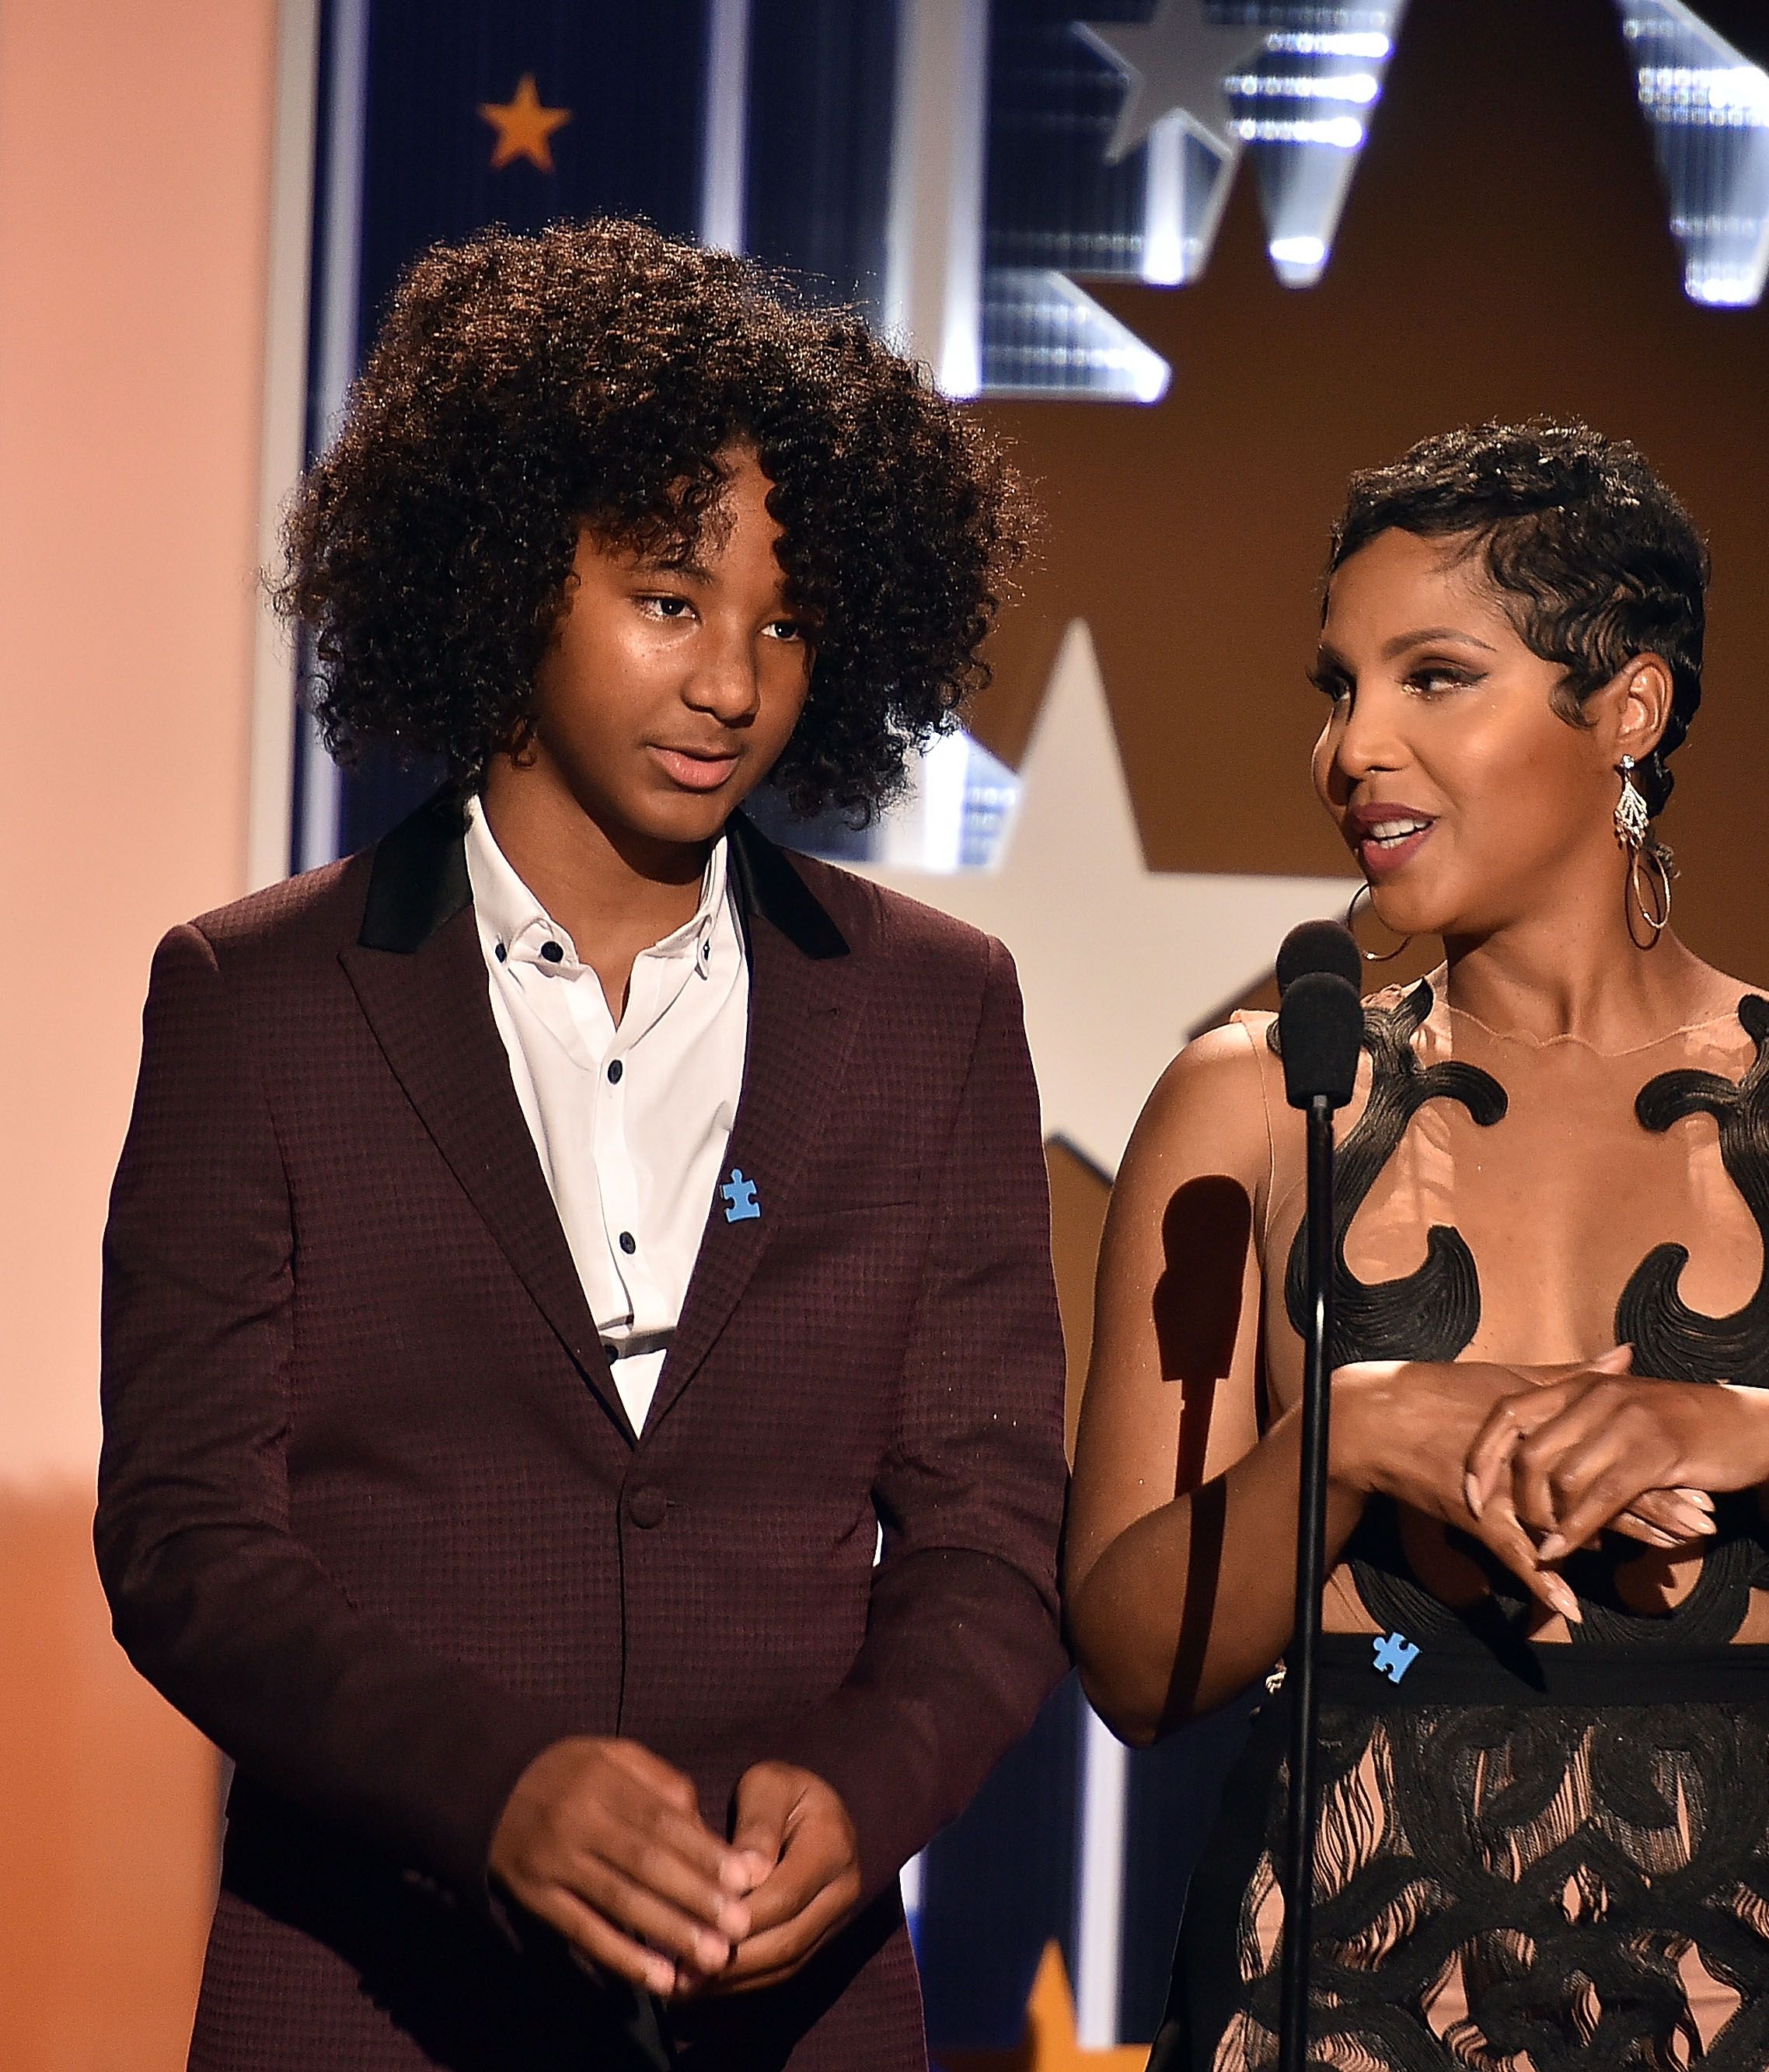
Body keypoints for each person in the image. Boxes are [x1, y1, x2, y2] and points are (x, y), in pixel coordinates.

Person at [1066, 420, 1769, 2070]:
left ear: (1629, 708)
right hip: (1336, 1996)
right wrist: (1352, 1442)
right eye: (1337, 686)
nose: (1354, 745)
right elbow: (1134, 1665)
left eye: (1433, 677)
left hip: (1752, 2000)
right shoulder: (1255, 1101)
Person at [96, 219, 1067, 2071]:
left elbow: (989, 1532)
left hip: (796, 2007)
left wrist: (863, 1791)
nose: (732, 681)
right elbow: (189, 1539)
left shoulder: (934, 1009)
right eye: (670, 598)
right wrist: (496, 1792)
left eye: (786, 623)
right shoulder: (258, 998)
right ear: (504, 572)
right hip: (368, 1997)